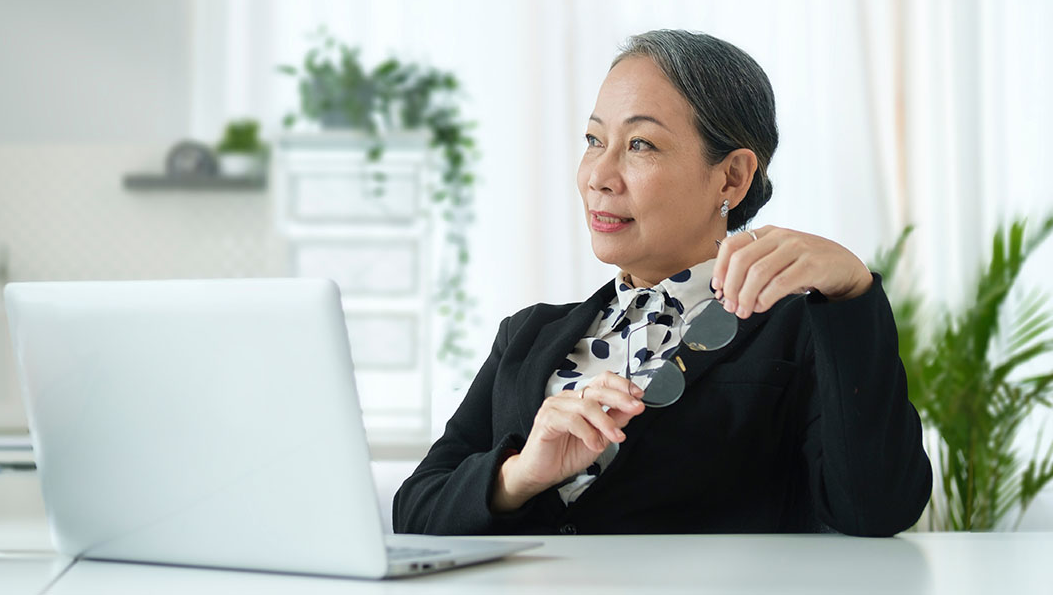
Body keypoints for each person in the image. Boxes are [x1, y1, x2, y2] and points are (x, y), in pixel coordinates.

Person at [393, 29, 932, 537]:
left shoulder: (801, 329)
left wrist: (853, 295)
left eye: (641, 145)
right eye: (593, 139)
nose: (598, 176)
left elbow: (876, 508)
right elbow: (415, 510)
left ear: (732, 177)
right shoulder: (528, 334)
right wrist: (520, 476)